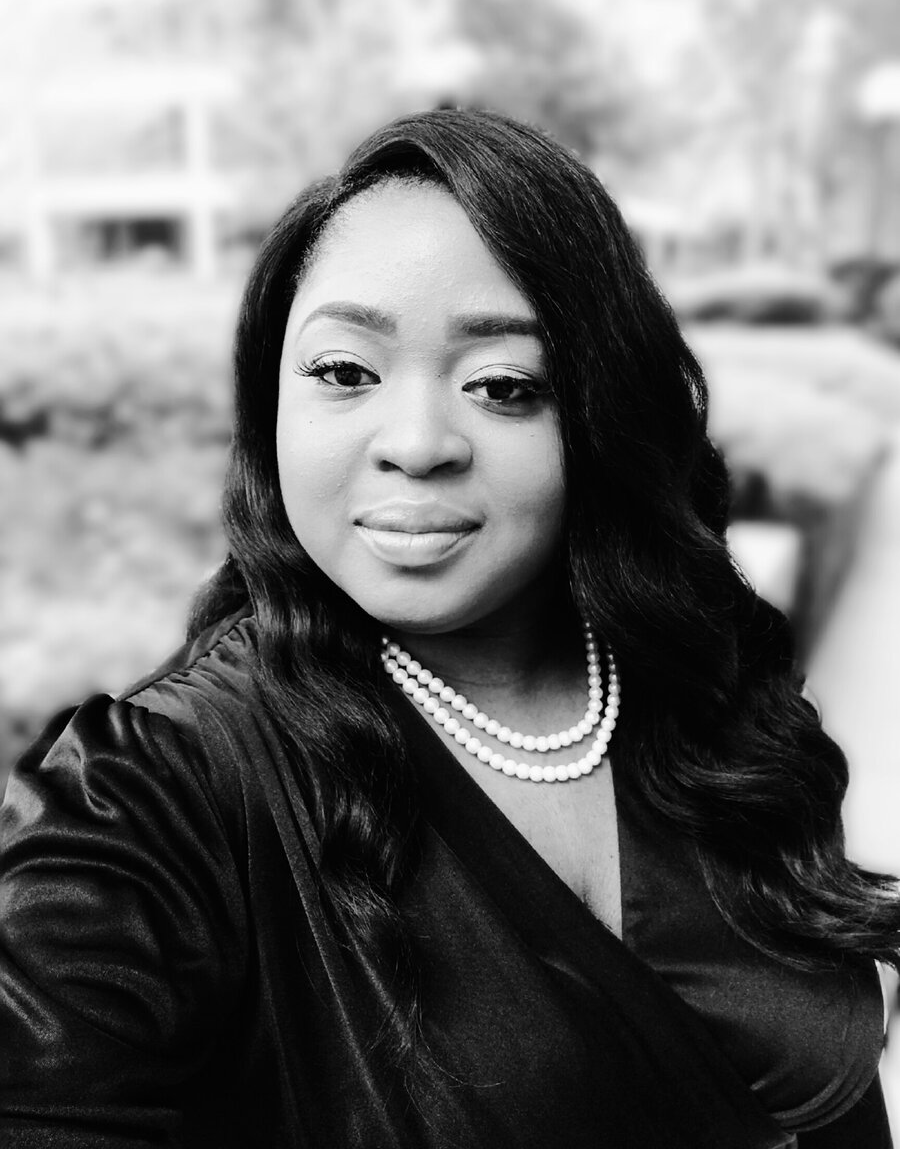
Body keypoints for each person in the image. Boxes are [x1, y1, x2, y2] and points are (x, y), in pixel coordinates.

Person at [1, 108, 898, 1149]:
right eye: (345, 373)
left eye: (503, 387)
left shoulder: (704, 697)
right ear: (269, 404)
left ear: (600, 413)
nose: (419, 443)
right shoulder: (152, 793)